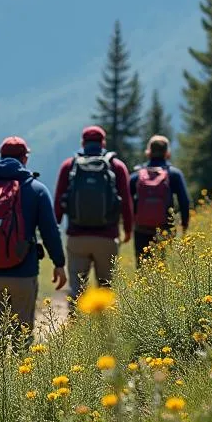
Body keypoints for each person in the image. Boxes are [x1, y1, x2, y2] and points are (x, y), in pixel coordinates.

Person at [0, 136, 67, 346]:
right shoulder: (36, 189)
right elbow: (50, 231)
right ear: (24, 159)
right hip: (24, 272)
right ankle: (20, 375)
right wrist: (59, 263)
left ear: (0, 157)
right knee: (23, 331)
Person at [54, 125, 133, 295]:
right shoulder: (116, 166)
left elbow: (58, 203)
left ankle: (75, 321)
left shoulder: (69, 166)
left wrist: (55, 230)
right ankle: (104, 322)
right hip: (107, 237)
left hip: (77, 237)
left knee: (77, 291)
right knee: (106, 290)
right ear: (103, 143)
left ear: (83, 142)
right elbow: (126, 202)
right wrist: (127, 229)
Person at [130, 135, 190, 262]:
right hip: (165, 228)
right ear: (167, 153)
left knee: (143, 267)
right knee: (163, 266)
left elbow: (126, 201)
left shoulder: (137, 176)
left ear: (148, 152)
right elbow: (184, 201)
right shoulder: (174, 174)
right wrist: (184, 225)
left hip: (141, 228)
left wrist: (129, 224)